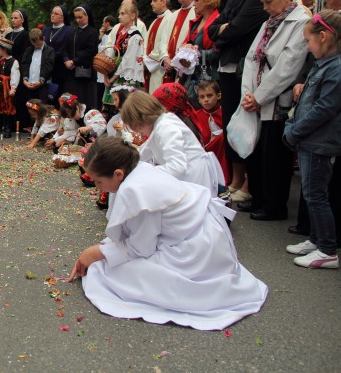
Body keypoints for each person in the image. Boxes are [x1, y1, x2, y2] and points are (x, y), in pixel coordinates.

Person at [68, 136, 268, 330]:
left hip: (194, 248)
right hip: (205, 235)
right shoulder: (138, 168)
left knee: (107, 272)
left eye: (98, 182)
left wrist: (96, 253)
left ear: (118, 174)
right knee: (109, 260)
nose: (96, 187)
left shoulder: (133, 190)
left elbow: (141, 248)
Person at [239, 0, 309, 222]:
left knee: (275, 156)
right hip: (257, 97)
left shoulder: (300, 21)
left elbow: (287, 66)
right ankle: (258, 197)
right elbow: (251, 58)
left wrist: (259, 96)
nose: (266, 8)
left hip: (276, 99)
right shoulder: (269, 22)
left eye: (269, 2)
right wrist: (249, 93)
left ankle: (274, 205)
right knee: (257, 152)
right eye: (264, 2)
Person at [208, 0, 268, 207]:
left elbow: (234, 30)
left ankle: (247, 182)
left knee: (244, 123)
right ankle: (235, 178)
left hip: (244, 68)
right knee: (231, 120)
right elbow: (212, 30)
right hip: (228, 66)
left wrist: (224, 30)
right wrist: (224, 30)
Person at [283, 10, 341, 268]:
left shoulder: (336, 69)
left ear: (324, 36)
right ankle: (317, 240)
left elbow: (324, 108)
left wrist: (295, 130)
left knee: (316, 195)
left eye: (308, 41)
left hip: (319, 141)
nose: (307, 46)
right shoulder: (325, 65)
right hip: (310, 139)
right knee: (311, 193)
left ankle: (328, 249)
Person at [121, 90, 224, 197]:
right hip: (188, 177)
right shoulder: (159, 125)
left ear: (142, 118)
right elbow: (143, 153)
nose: (136, 131)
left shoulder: (165, 128)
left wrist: (145, 173)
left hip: (193, 180)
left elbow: (177, 166)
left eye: (135, 126)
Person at [176, 0, 222, 104]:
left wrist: (196, 53)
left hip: (208, 78)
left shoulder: (218, 22)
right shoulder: (196, 22)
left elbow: (218, 52)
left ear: (207, 1)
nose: (194, 4)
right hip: (191, 77)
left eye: (196, 0)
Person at [61, 5, 100, 110]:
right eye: (76, 17)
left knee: (85, 102)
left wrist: (74, 61)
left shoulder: (92, 32)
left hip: (85, 74)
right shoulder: (72, 33)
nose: (78, 20)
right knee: (72, 103)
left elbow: (90, 51)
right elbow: (64, 49)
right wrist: (66, 60)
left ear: (87, 16)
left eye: (80, 17)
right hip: (71, 74)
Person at [104, 0, 145, 100]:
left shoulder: (135, 36)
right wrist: (105, 72)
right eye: (119, 14)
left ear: (132, 16)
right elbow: (112, 51)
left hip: (125, 74)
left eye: (122, 14)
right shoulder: (120, 33)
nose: (119, 17)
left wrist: (113, 78)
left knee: (124, 104)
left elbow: (128, 59)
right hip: (115, 70)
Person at [161, 0, 198, 84]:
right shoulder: (173, 16)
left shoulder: (196, 13)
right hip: (169, 66)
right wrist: (165, 58)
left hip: (184, 68)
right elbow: (163, 41)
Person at [194, 80, 231, 187]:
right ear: (198, 100)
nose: (206, 100)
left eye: (209, 95)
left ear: (218, 96)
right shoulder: (196, 116)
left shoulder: (225, 113)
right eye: (202, 97)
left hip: (223, 153)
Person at [0, 37, 20, 138]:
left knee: (8, 106)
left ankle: (7, 128)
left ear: (4, 50)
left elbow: (15, 75)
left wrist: (13, 88)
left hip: (7, 88)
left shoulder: (13, 62)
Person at [143, 0, 172, 93]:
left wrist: (148, 61)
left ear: (164, 2)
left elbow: (164, 42)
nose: (151, 3)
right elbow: (146, 43)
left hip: (160, 68)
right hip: (150, 68)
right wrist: (144, 59)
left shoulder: (170, 19)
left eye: (155, 1)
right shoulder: (155, 21)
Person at [44, 5, 73, 100]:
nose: (52, 15)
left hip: (61, 69)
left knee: (60, 97)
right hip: (47, 68)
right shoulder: (46, 30)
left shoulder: (68, 30)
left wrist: (50, 57)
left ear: (63, 17)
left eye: (56, 14)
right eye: (52, 13)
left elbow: (64, 48)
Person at [20, 28, 55, 105]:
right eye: (34, 44)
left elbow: (48, 66)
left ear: (43, 39)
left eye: (38, 44)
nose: (36, 46)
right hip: (29, 84)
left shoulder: (49, 51)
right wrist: (25, 79)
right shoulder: (29, 50)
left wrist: (40, 81)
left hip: (42, 85)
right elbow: (24, 64)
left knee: (41, 107)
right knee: (30, 106)